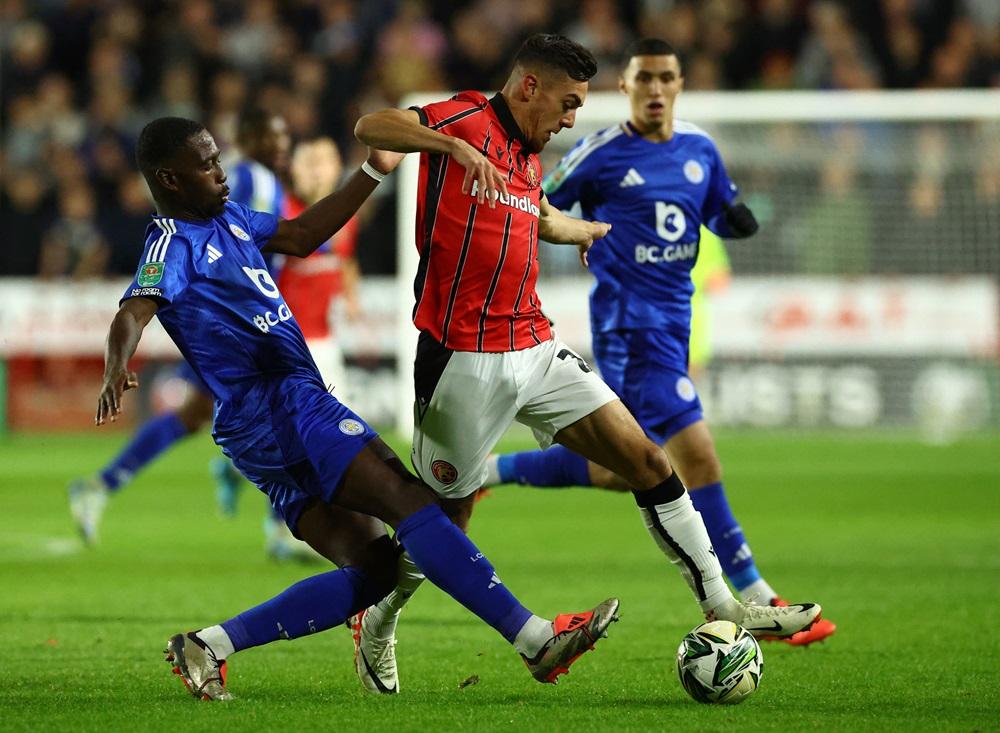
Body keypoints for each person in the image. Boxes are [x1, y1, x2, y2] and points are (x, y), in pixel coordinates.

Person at [350, 33, 822, 695]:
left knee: (647, 460)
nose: (572, 118)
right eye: (568, 103)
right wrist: (450, 146)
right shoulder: (465, 118)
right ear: (529, 86)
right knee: (443, 523)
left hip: (535, 344)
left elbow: (531, 215)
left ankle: (723, 603)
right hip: (462, 361)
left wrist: (582, 230)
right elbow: (372, 125)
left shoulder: (526, 154)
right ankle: (377, 621)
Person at [98, 116, 619, 701]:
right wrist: (118, 364)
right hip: (280, 404)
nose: (222, 172)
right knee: (410, 501)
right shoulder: (172, 243)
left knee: (375, 569)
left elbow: (301, 235)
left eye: (218, 159)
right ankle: (536, 639)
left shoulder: (229, 218)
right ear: (170, 179)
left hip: (267, 422)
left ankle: (208, 645)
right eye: (207, 164)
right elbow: (133, 309)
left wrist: (372, 170)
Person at [485, 38, 836, 647]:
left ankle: (490, 471)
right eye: (643, 78)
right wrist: (571, 232)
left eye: (665, 78)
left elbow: (722, 210)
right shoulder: (600, 153)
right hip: (629, 329)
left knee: (626, 467)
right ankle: (757, 597)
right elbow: (535, 202)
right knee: (693, 455)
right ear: (626, 86)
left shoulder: (700, 149)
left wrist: (740, 219)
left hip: (676, 325)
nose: (655, 89)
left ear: (679, 84)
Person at [67, 109, 307, 560]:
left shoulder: (264, 182)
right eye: (271, 136)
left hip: (247, 319)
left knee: (200, 415)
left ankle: (103, 485)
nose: (281, 146)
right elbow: (225, 239)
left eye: (284, 137)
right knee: (279, 411)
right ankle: (279, 524)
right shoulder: (246, 180)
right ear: (248, 139)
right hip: (235, 323)